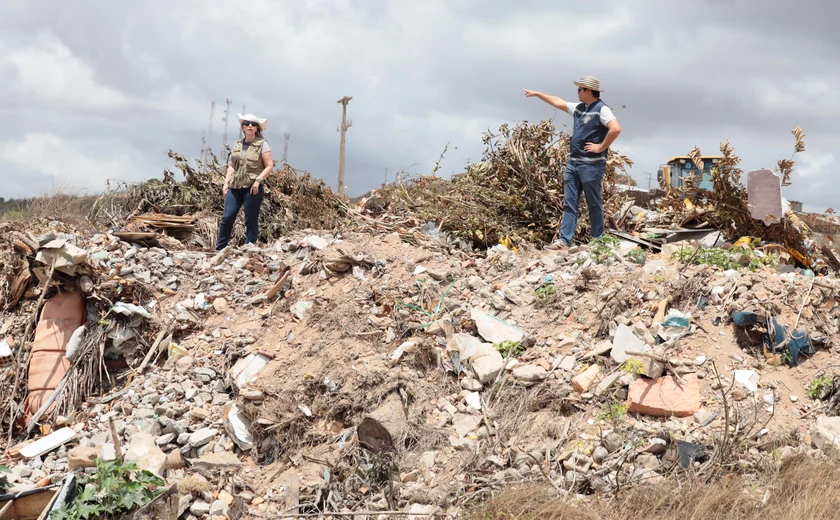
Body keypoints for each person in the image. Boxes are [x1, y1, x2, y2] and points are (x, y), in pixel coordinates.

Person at [523, 76, 622, 249]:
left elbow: (616, 128)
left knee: (594, 203)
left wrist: (600, 147)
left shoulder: (601, 109)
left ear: (588, 91)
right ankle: (564, 240)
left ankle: (598, 240)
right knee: (570, 203)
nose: (577, 92)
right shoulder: (579, 108)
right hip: (573, 163)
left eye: (579, 89)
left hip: (591, 165)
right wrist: (538, 94)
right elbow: (558, 102)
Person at [216, 113, 275, 251]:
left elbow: (269, 165)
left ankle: (249, 249)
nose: (250, 126)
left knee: (250, 220)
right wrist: (226, 184)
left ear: (256, 128)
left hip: (252, 187)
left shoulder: (262, 144)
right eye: (247, 123)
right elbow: (232, 166)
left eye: (253, 124)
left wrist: (258, 181)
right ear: (242, 127)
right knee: (227, 217)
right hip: (235, 186)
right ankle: (220, 249)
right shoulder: (237, 144)